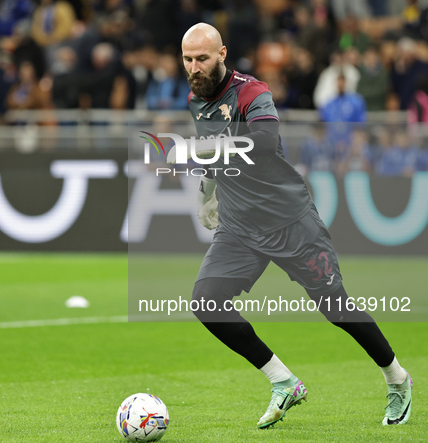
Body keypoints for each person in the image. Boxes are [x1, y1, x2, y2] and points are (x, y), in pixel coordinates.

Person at [168, 23, 412, 429]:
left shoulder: (252, 91)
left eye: (202, 58)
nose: (194, 67)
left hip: (289, 221)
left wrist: (204, 153)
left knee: (337, 308)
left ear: (222, 54)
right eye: (188, 59)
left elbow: (264, 142)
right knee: (206, 301)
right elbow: (215, 150)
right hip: (239, 228)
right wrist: (207, 185)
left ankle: (397, 379)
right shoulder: (196, 98)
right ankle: (283, 381)